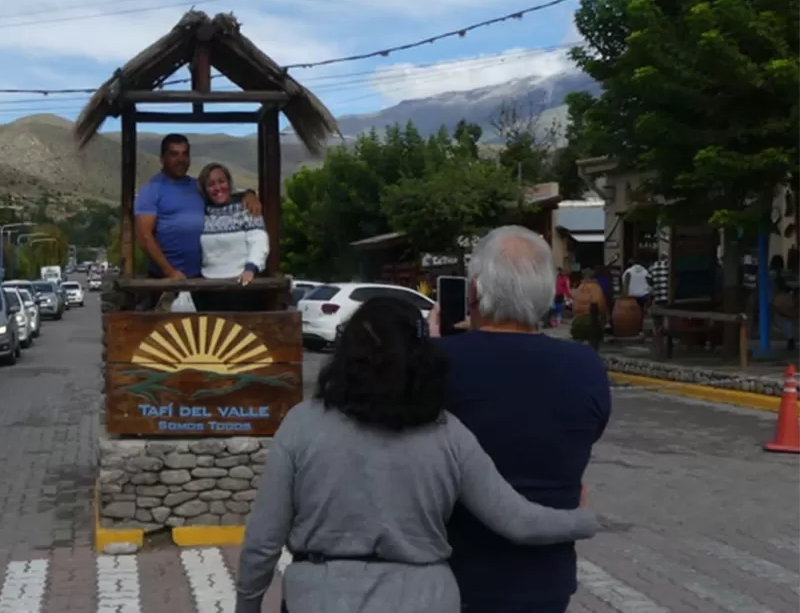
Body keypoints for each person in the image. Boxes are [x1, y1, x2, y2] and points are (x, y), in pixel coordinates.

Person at [236, 296, 600, 613]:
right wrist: (583, 519)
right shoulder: (448, 435)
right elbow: (517, 521)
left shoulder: (303, 424)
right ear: (423, 358)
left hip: (320, 597)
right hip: (427, 597)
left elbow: (262, 542)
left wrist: (247, 606)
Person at [430, 226, 611, 613]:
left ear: (474, 291)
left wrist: (429, 349)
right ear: (548, 293)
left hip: (452, 576)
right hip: (545, 579)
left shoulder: (436, 364)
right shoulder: (586, 367)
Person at [133, 134, 260, 282]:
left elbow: (223, 196)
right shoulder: (151, 190)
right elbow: (144, 237)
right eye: (174, 154)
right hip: (165, 279)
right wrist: (170, 272)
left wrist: (249, 194)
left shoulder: (197, 186)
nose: (180, 159)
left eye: (185, 154)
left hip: (201, 276)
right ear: (162, 159)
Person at [196, 162, 268, 311]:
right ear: (205, 189)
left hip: (242, 287)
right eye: (211, 184)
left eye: (221, 181)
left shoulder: (247, 208)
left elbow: (259, 241)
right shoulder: (201, 213)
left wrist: (251, 268)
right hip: (208, 288)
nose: (217, 188)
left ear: (229, 183)